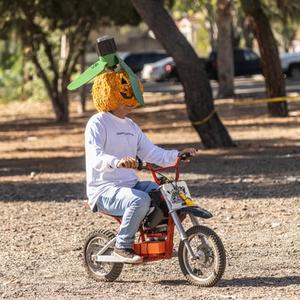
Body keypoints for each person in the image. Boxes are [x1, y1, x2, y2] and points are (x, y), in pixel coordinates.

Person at [85, 69, 197, 263]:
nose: (130, 100)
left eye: (132, 93)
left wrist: (177, 155)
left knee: (167, 193)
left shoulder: (131, 126)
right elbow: (95, 156)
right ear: (110, 93)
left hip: (129, 185)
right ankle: (123, 245)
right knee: (139, 200)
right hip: (104, 190)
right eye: (124, 94)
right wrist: (116, 161)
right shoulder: (98, 122)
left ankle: (154, 235)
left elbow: (152, 153)